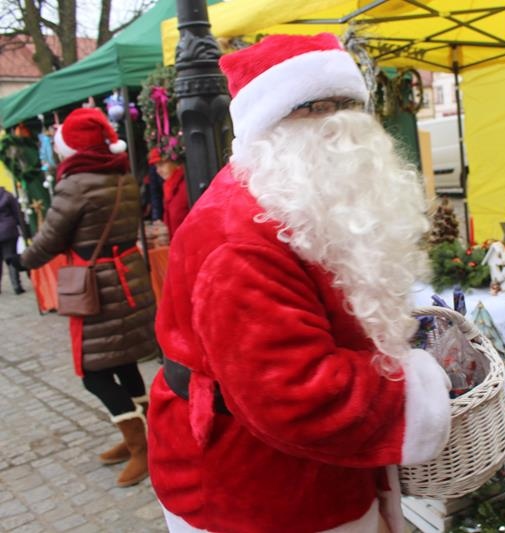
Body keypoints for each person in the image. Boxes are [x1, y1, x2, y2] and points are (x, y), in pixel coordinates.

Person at [148, 33, 452, 533]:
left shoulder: (299, 201)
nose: (341, 124)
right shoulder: (235, 238)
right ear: (270, 126)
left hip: (311, 467)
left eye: (349, 105)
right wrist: (417, 388)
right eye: (316, 108)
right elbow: (295, 392)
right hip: (253, 485)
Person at [21, 108, 158, 487]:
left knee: (94, 374)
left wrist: (22, 260)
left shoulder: (76, 185)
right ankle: (147, 432)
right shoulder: (122, 175)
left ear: (72, 147)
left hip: (98, 286)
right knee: (123, 361)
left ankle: (141, 446)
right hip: (126, 276)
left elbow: (51, 238)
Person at [147, 147, 189, 238]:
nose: (158, 171)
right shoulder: (169, 186)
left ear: (175, 163)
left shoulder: (185, 185)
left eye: (161, 165)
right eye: (156, 166)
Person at [0, 185, 25, 295]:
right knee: (11, 257)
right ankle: (16, 286)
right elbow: (17, 213)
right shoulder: (7, 195)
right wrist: (23, 229)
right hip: (8, 231)